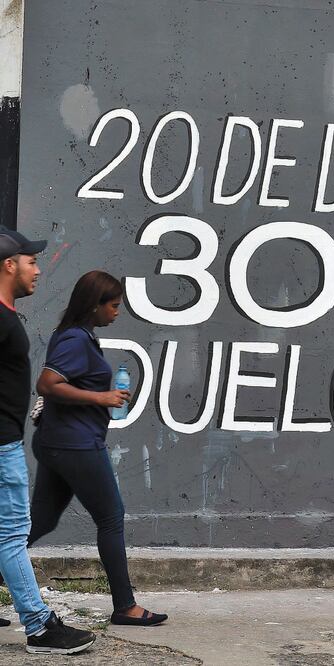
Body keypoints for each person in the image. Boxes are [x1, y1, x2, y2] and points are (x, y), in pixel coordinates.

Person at [28, 270, 167, 627]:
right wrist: (101, 396)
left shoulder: (73, 335)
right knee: (110, 517)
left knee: (39, 522)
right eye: (114, 306)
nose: (117, 312)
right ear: (95, 306)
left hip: (58, 442)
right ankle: (125, 606)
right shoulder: (75, 339)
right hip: (75, 445)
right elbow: (47, 384)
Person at [0, 226, 96, 654]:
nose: (37, 269)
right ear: (9, 265)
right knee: (12, 534)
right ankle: (39, 626)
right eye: (31, 261)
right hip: (1, 446)